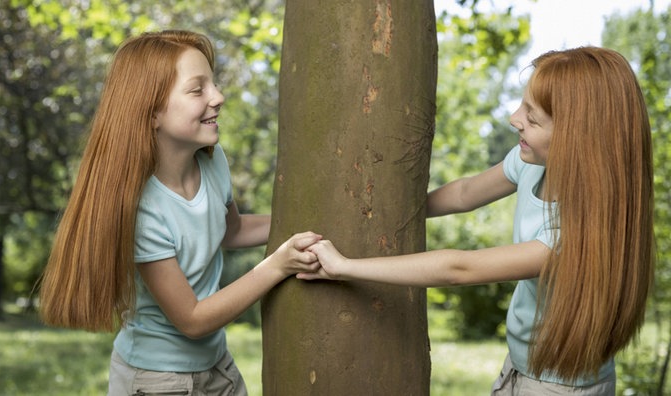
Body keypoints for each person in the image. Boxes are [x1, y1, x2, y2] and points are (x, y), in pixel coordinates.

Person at [299, 47, 654, 395]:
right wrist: (393, 209)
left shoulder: (572, 235)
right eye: (522, 106)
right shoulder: (532, 164)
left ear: (578, 140)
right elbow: (465, 193)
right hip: (521, 364)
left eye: (532, 118)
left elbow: (459, 268)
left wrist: (344, 267)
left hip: (558, 386)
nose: (515, 118)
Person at [37, 30, 321, 395]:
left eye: (213, 84)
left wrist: (309, 227)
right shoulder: (142, 210)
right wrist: (278, 266)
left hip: (217, 364)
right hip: (158, 379)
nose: (218, 97)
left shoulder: (212, 160)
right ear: (152, 111)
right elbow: (192, 319)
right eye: (197, 89)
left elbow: (231, 231)